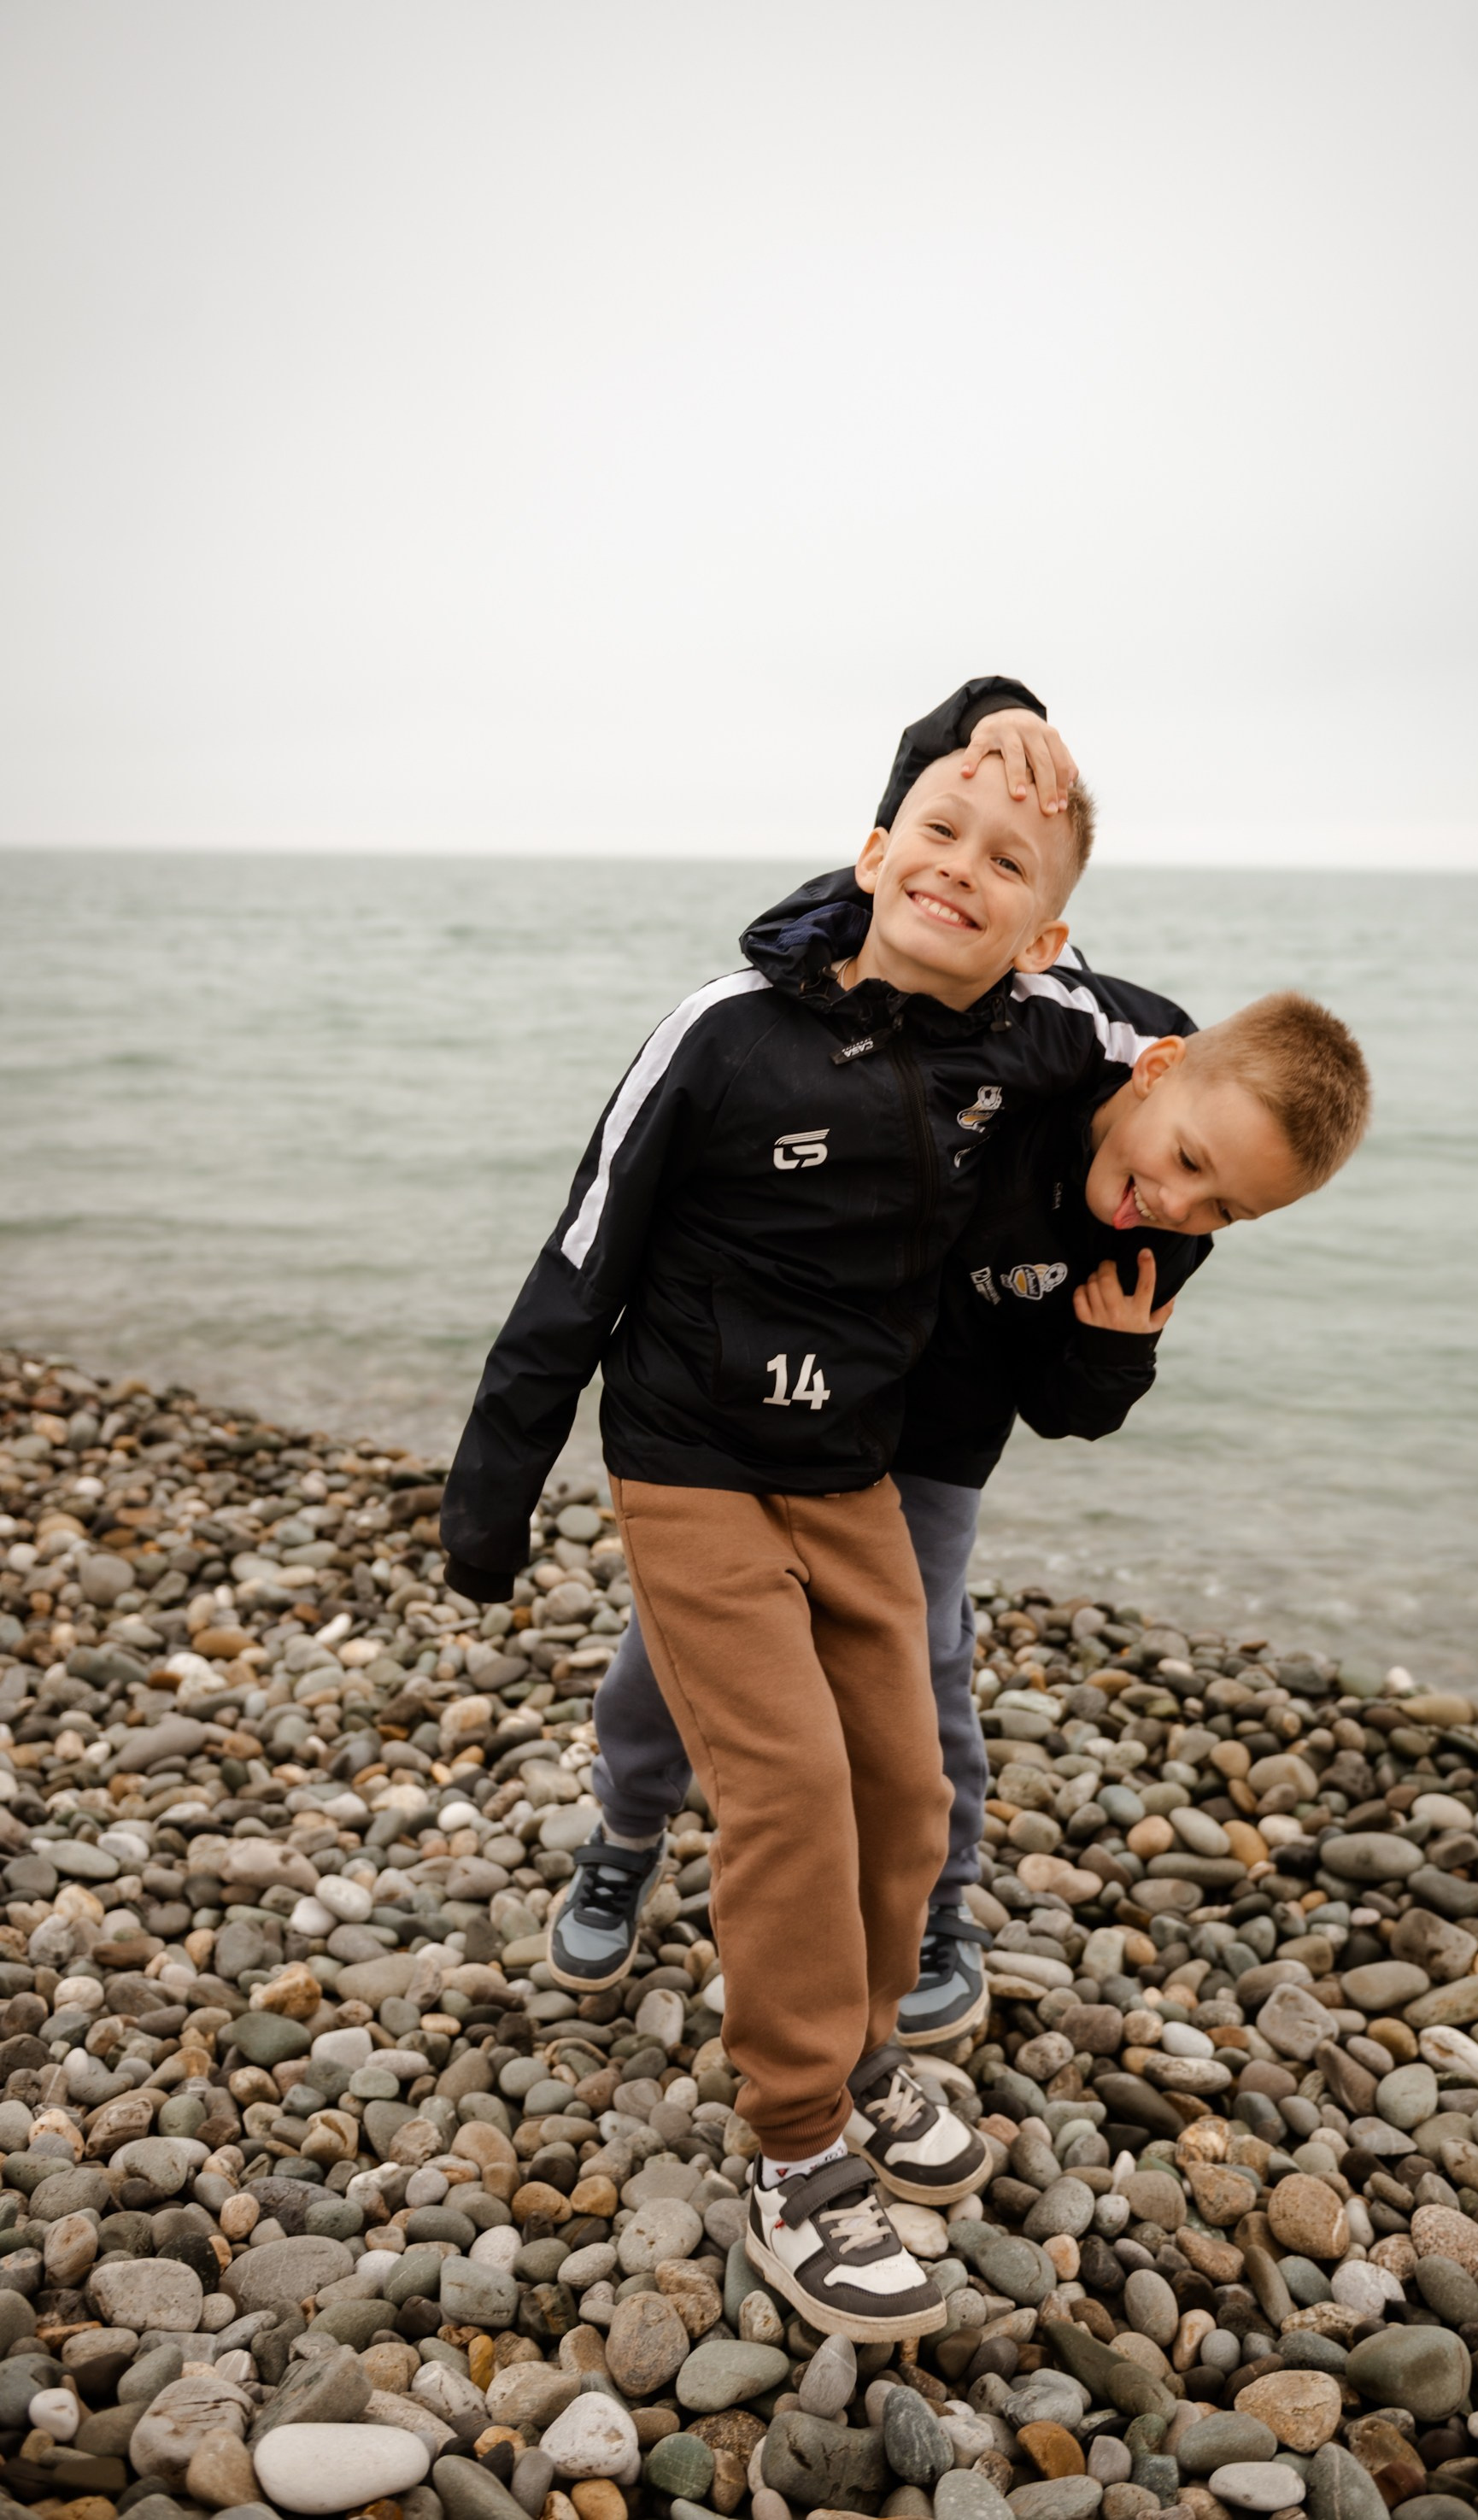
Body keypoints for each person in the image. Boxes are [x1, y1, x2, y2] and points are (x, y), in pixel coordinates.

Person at [441, 687, 1148, 2342]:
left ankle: (862, 2039)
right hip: (688, 1460)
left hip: (852, 1481)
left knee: (910, 1788)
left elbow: (1176, 1055)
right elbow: (578, 1256)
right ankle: (796, 2145)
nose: (963, 866)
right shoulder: (725, 1028)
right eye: (941, 830)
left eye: (1010, 862)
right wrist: (492, 1499)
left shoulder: (1029, 1043)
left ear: (1050, 935)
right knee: (793, 1786)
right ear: (873, 847)